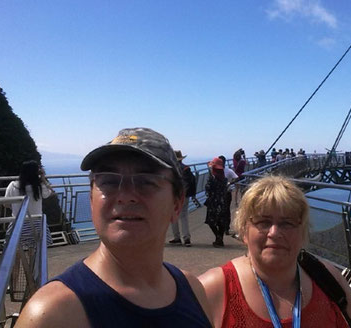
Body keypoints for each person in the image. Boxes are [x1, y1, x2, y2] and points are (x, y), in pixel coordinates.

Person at [16, 127, 212, 327]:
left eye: (146, 181)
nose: (125, 195)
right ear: (92, 199)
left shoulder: (193, 289)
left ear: (177, 204)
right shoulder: (53, 315)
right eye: (109, 181)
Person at [199, 175, 351, 328]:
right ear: (244, 230)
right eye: (263, 222)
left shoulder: (329, 280)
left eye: (287, 223)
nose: (275, 233)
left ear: (302, 231)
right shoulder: (212, 291)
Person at [5, 160, 54, 247]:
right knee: (36, 250)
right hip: (37, 224)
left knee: (16, 250)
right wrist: (43, 178)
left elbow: (5, 204)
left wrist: (15, 207)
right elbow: (51, 192)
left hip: (18, 224)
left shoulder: (12, 185)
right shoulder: (39, 186)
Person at [169, 150, 197, 247]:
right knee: (184, 216)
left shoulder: (172, 169)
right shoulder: (186, 168)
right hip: (185, 195)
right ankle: (186, 238)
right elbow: (192, 181)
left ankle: (177, 238)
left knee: (173, 215)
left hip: (175, 195)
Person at [205, 157, 229, 248]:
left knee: (211, 221)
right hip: (223, 201)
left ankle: (218, 237)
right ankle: (220, 239)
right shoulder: (224, 179)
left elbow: (207, 189)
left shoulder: (212, 178)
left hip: (213, 202)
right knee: (221, 221)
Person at [219, 155, 238, 235]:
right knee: (220, 211)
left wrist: (230, 183)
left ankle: (226, 228)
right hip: (219, 193)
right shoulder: (217, 171)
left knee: (226, 210)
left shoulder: (228, 171)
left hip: (226, 192)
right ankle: (222, 227)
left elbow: (236, 177)